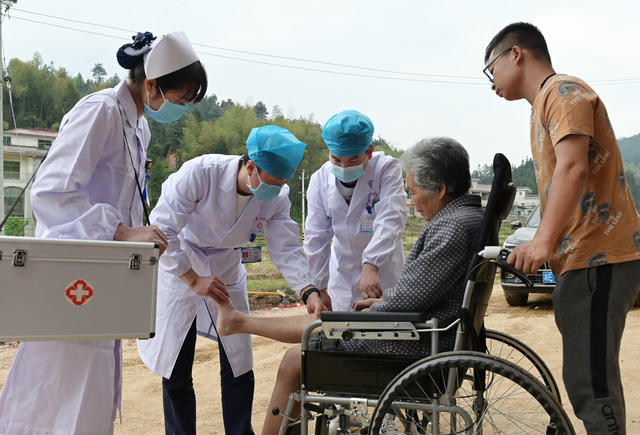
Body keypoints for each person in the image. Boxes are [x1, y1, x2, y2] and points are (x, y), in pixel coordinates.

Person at [0, 31, 207, 434]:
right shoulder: (99, 111)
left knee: (91, 382)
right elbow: (52, 192)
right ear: (151, 84)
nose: (178, 110)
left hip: (104, 273)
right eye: (178, 101)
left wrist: (136, 239)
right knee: (56, 381)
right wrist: (121, 231)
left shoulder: (139, 127)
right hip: (71, 271)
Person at [216, 137, 484, 434]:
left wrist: (379, 303)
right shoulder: (466, 218)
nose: (412, 199)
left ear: (441, 189)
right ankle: (241, 322)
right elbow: (317, 237)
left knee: (299, 354)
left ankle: (241, 322)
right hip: (428, 336)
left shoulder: (451, 228)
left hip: (416, 348)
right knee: (322, 324)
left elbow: (411, 293)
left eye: (414, 191)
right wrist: (329, 290)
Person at [484, 22, 640, 433]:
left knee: (593, 386)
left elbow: (573, 167)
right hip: (582, 259)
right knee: (585, 378)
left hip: (598, 255)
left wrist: (541, 240)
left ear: (516, 54)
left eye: (491, 69)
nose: (492, 82)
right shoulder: (543, 105)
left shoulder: (563, 92)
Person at [136, 125, 320, 435]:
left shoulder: (277, 195)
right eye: (273, 181)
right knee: (176, 363)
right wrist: (193, 279)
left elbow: (286, 246)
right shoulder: (199, 173)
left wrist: (308, 289)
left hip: (226, 265)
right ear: (251, 167)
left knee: (238, 361)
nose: (278, 188)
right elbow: (162, 231)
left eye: (283, 182)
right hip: (181, 261)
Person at [303, 110, 407, 313]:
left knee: (384, 336)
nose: (343, 166)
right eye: (336, 159)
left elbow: (391, 220)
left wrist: (371, 264)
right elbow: (316, 237)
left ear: (369, 152)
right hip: (340, 277)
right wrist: (320, 287)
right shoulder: (320, 179)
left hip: (383, 274)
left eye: (352, 160)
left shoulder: (386, 169)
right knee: (344, 336)